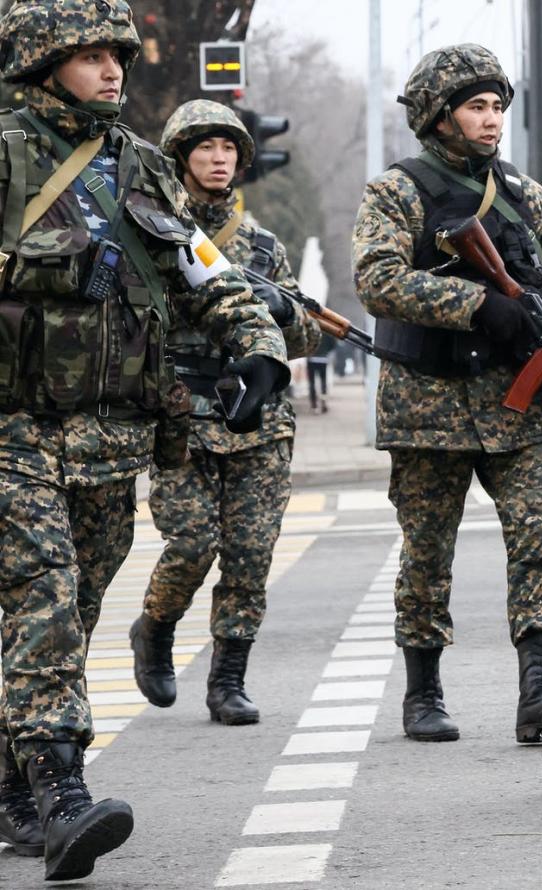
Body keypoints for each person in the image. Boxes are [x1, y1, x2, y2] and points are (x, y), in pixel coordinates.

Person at [0, 0, 287, 880]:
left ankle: (15, 781)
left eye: (118, 54)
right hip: (12, 427)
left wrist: (259, 347)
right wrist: (46, 262)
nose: (113, 70)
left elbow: (201, 265)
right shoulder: (8, 152)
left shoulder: (142, 168)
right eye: (90, 56)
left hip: (110, 437)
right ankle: (62, 796)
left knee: (71, 611)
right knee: (44, 598)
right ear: (44, 63)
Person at [351, 44, 542, 745]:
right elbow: (377, 278)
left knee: (541, 537)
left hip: (519, 403)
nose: (491, 119)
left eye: (497, 106)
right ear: (437, 115)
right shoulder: (397, 191)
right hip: (430, 404)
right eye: (476, 106)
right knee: (426, 554)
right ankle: (424, 690)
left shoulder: (525, 194)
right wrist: (477, 305)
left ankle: (539, 688)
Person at [128, 99, 320, 726]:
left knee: (250, 553)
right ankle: (155, 627)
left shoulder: (262, 244)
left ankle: (228, 679)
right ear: (181, 156)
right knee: (192, 541)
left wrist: (284, 308)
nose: (219, 159)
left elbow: (303, 339)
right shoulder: (154, 229)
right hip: (183, 417)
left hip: (256, 421)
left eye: (229, 149)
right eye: (205, 148)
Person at [307, 333, 333, 413]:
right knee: (323, 382)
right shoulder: (327, 331)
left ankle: (314, 404)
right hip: (323, 359)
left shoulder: (310, 328)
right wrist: (326, 351)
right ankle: (323, 403)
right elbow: (333, 344)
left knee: (312, 382)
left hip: (311, 358)